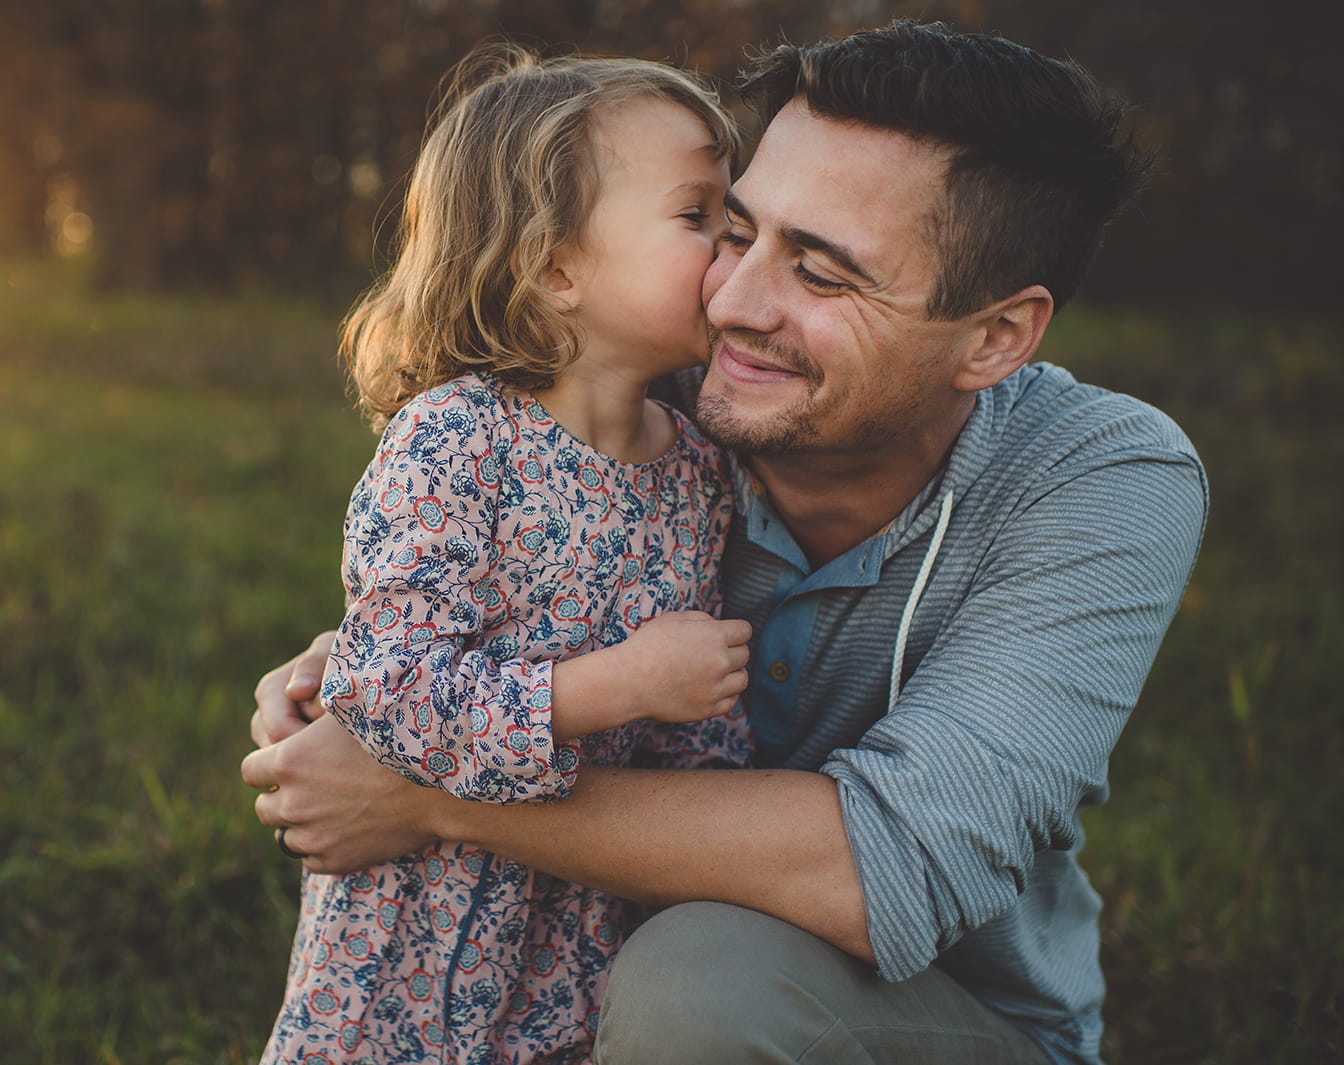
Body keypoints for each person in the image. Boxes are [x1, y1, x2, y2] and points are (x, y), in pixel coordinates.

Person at [244, 21, 1209, 1065]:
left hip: (941, 1019)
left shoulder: (1102, 476)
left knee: (698, 984)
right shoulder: (640, 406)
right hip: (564, 971)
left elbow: (889, 868)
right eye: (734, 230)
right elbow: (465, 605)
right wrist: (339, 675)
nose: (734, 303)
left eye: (824, 275)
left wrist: (425, 794)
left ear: (994, 338)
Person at [256, 44, 757, 1065]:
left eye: (730, 219)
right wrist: (620, 686)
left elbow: (688, 731)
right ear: (554, 266)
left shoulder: (699, 469)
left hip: (581, 920)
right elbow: (390, 692)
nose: (733, 252)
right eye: (696, 216)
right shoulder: (457, 438)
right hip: (415, 932)